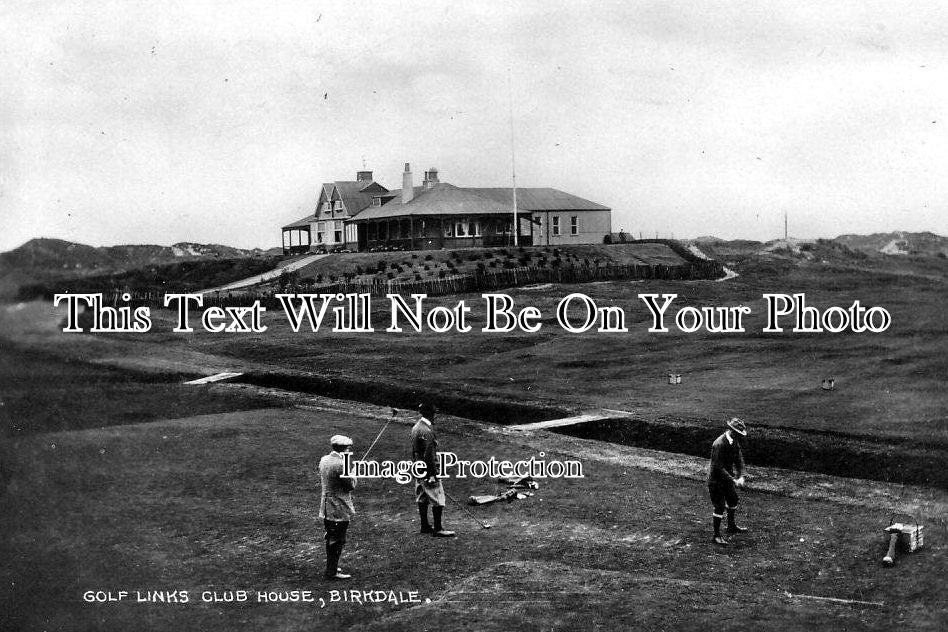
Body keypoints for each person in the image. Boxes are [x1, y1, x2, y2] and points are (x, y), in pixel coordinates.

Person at [410, 403, 455, 537]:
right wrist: (433, 474)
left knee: (422, 497)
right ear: (430, 414)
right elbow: (429, 455)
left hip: (419, 468)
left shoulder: (416, 427)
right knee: (438, 498)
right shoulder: (427, 431)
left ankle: (424, 526)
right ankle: (438, 529)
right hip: (428, 471)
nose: (435, 416)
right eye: (434, 413)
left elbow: (414, 451)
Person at [319, 434, 357, 580]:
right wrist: (352, 473)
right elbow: (351, 485)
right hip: (338, 508)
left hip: (327, 506)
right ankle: (332, 572)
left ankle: (332, 567)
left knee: (331, 537)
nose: (349, 451)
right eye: (347, 448)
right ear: (342, 449)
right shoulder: (342, 464)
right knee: (337, 539)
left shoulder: (324, 460)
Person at [707, 417, 748, 546]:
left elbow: (739, 459)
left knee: (733, 499)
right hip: (716, 480)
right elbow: (718, 468)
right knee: (719, 506)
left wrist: (741, 475)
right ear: (731, 430)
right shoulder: (718, 444)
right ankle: (716, 535)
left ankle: (731, 526)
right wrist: (734, 480)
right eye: (737, 433)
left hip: (727, 478)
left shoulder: (734, 441)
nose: (739, 436)